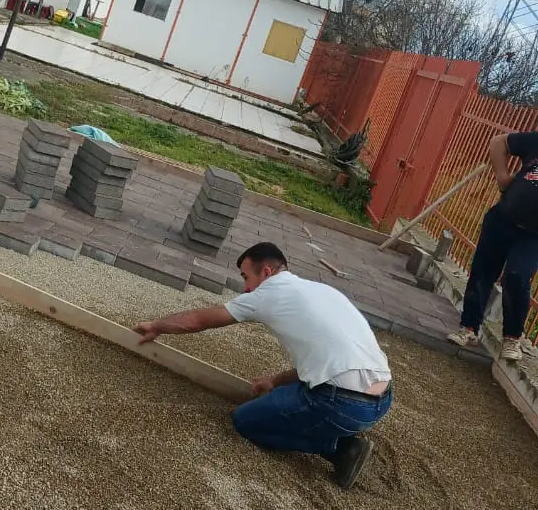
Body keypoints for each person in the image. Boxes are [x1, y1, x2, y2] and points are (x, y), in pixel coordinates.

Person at [133, 242, 392, 490]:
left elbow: (200, 320)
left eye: (246, 277)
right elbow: (327, 364)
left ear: (266, 272)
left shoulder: (270, 293)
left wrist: (157, 326)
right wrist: (274, 381)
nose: (245, 288)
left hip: (343, 405)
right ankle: (336, 434)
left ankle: (339, 448)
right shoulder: (323, 292)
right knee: (285, 396)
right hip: (381, 400)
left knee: (245, 420)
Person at [448, 131, 538, 362]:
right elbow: (498, 142)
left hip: (533, 236)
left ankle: (511, 338)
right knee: (482, 272)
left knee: (517, 276)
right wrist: (501, 176)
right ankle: (468, 328)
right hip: (503, 219)